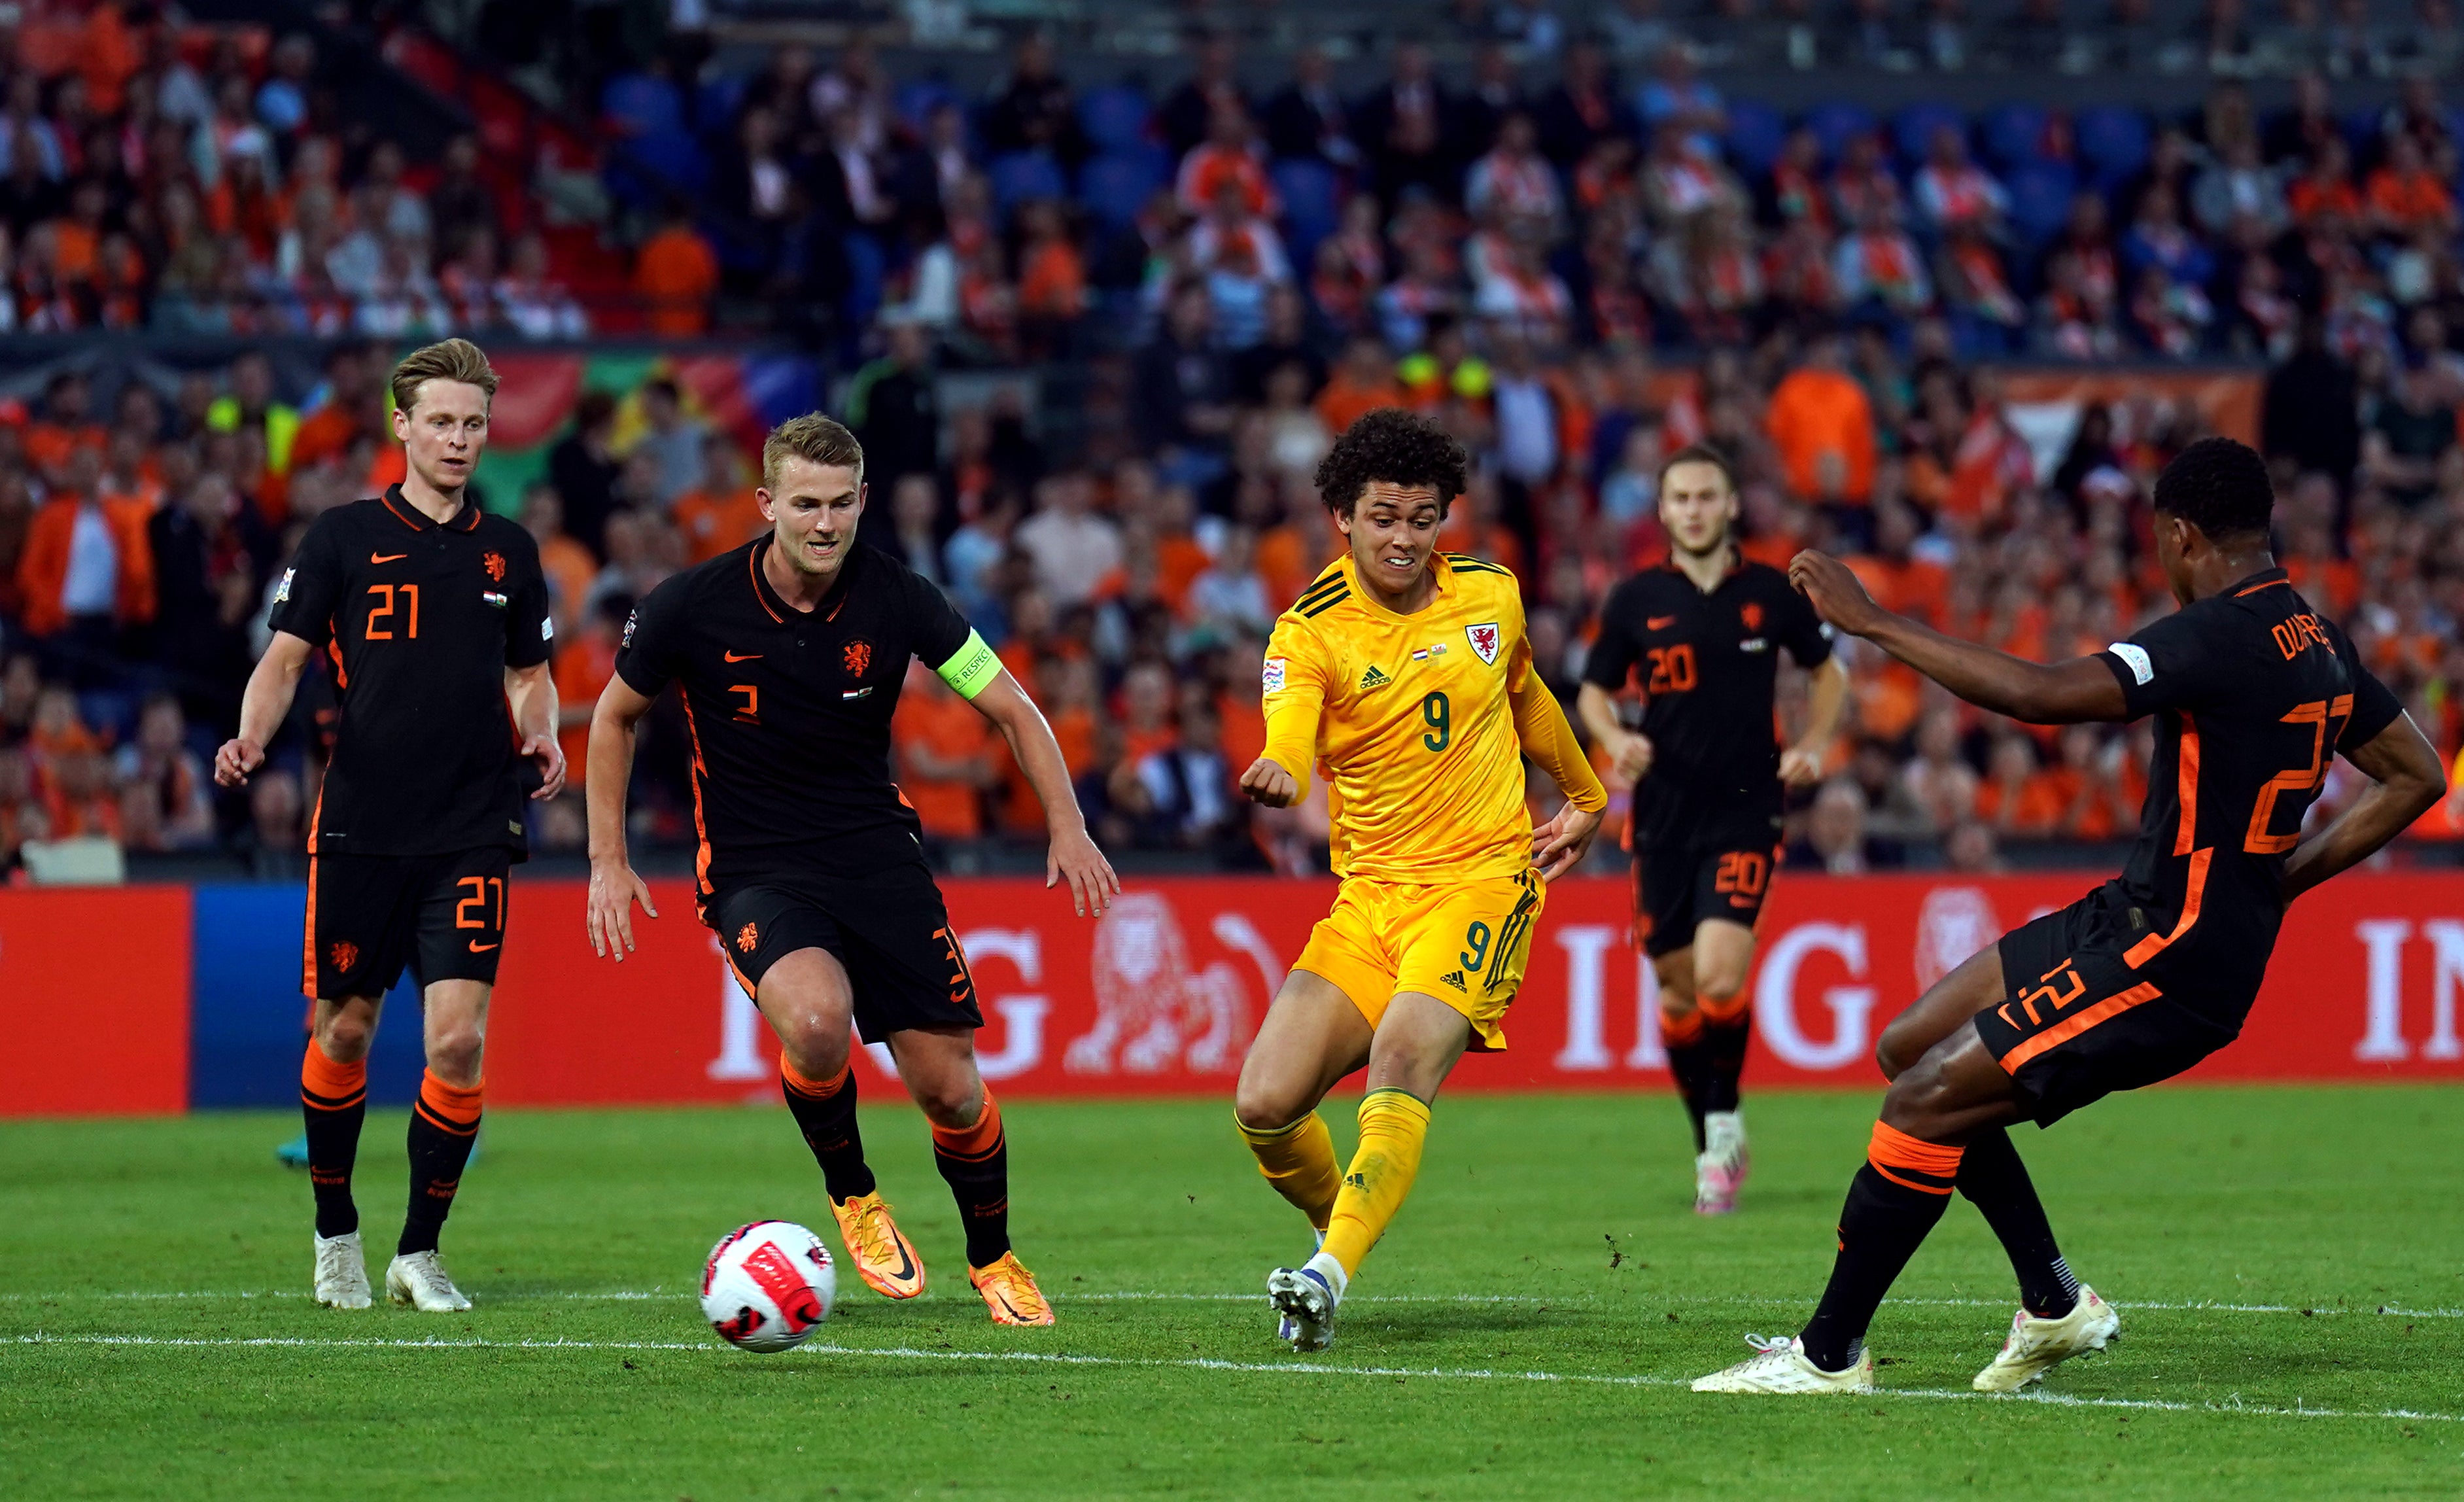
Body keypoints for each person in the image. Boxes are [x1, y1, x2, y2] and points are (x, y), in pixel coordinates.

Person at [1694, 438, 2443, 1395]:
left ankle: (1827, 1354)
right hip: (2133, 911)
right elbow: (2413, 774)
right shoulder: (2316, 635)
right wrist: (2279, 880)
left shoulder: (2208, 635)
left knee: (1923, 1100)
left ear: (2178, 537)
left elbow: (2039, 695)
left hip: (2170, 955)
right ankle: (2052, 1304)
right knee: (1909, 1044)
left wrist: (1874, 623)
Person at [583, 414, 1118, 1327]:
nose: (824, 524)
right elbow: (611, 718)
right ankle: (855, 1197)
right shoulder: (691, 605)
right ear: (766, 505)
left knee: (950, 1087)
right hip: (755, 867)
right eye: (804, 505)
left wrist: (1066, 830)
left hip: (877, 857)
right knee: (819, 1023)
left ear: (864, 501)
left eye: (840, 504)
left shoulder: (900, 598)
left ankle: (992, 1256)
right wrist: (607, 860)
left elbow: (1016, 710)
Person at [1230, 408, 1608, 1352]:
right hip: (1370, 898)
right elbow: (1288, 723)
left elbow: (1524, 693)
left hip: (1482, 878)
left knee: (1401, 1060)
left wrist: (1587, 793)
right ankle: (1340, 1232)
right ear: (1341, 519)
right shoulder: (1308, 631)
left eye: (1423, 518)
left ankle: (1324, 1277)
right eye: (1384, 517)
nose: (1404, 538)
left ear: (1445, 520)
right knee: (1265, 1105)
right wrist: (1282, 765)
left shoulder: (1490, 596)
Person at [215, 338, 566, 1314]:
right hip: (363, 826)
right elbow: (284, 661)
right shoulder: (339, 540)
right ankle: (336, 1235)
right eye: (442, 422)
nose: (459, 439)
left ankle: (420, 1249)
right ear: (402, 427)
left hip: (472, 825)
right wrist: (248, 739)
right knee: (347, 1028)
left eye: (473, 424)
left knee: (456, 1044)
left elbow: (531, 675)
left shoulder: (511, 554)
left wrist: (542, 737)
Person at [1577, 444, 1848, 1214]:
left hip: (1744, 808)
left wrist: (1812, 744)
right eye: (1680, 498)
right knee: (1675, 989)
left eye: (1706, 496)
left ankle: (1721, 1127)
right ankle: (1709, 1138)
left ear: (1730, 506)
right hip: (1661, 815)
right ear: (1661, 511)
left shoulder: (1769, 592)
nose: (1693, 509)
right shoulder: (1634, 600)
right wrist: (1613, 737)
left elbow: (1829, 671)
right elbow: (1593, 692)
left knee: (1720, 975)